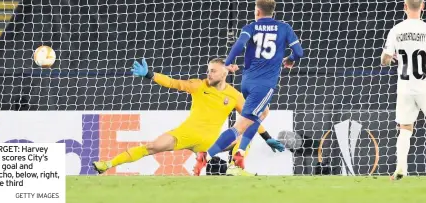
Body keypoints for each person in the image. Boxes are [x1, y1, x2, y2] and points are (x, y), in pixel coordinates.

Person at [92, 58, 284, 176]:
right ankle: (107, 165)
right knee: (150, 147)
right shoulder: (198, 85)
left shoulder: (234, 95)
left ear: (225, 72)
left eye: (213, 70)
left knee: (242, 137)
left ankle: (236, 169)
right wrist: (150, 74)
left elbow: (249, 120)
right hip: (184, 135)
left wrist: (267, 138)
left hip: (210, 143)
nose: (209, 73)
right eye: (208, 70)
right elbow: (173, 83)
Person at [194, 0, 304, 174]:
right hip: (264, 85)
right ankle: (206, 156)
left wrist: (228, 63)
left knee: (262, 112)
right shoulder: (284, 28)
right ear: (271, 12)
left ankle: (240, 152)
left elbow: (239, 45)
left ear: (257, 12)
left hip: (247, 82)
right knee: (240, 126)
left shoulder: (250, 27)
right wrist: (290, 60)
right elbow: (299, 52)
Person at [381, 0, 426, 180]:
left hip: (405, 88)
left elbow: (384, 59)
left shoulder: (396, 30)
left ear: (405, 7)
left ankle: (401, 168)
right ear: (422, 6)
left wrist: (392, 59)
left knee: (405, 128)